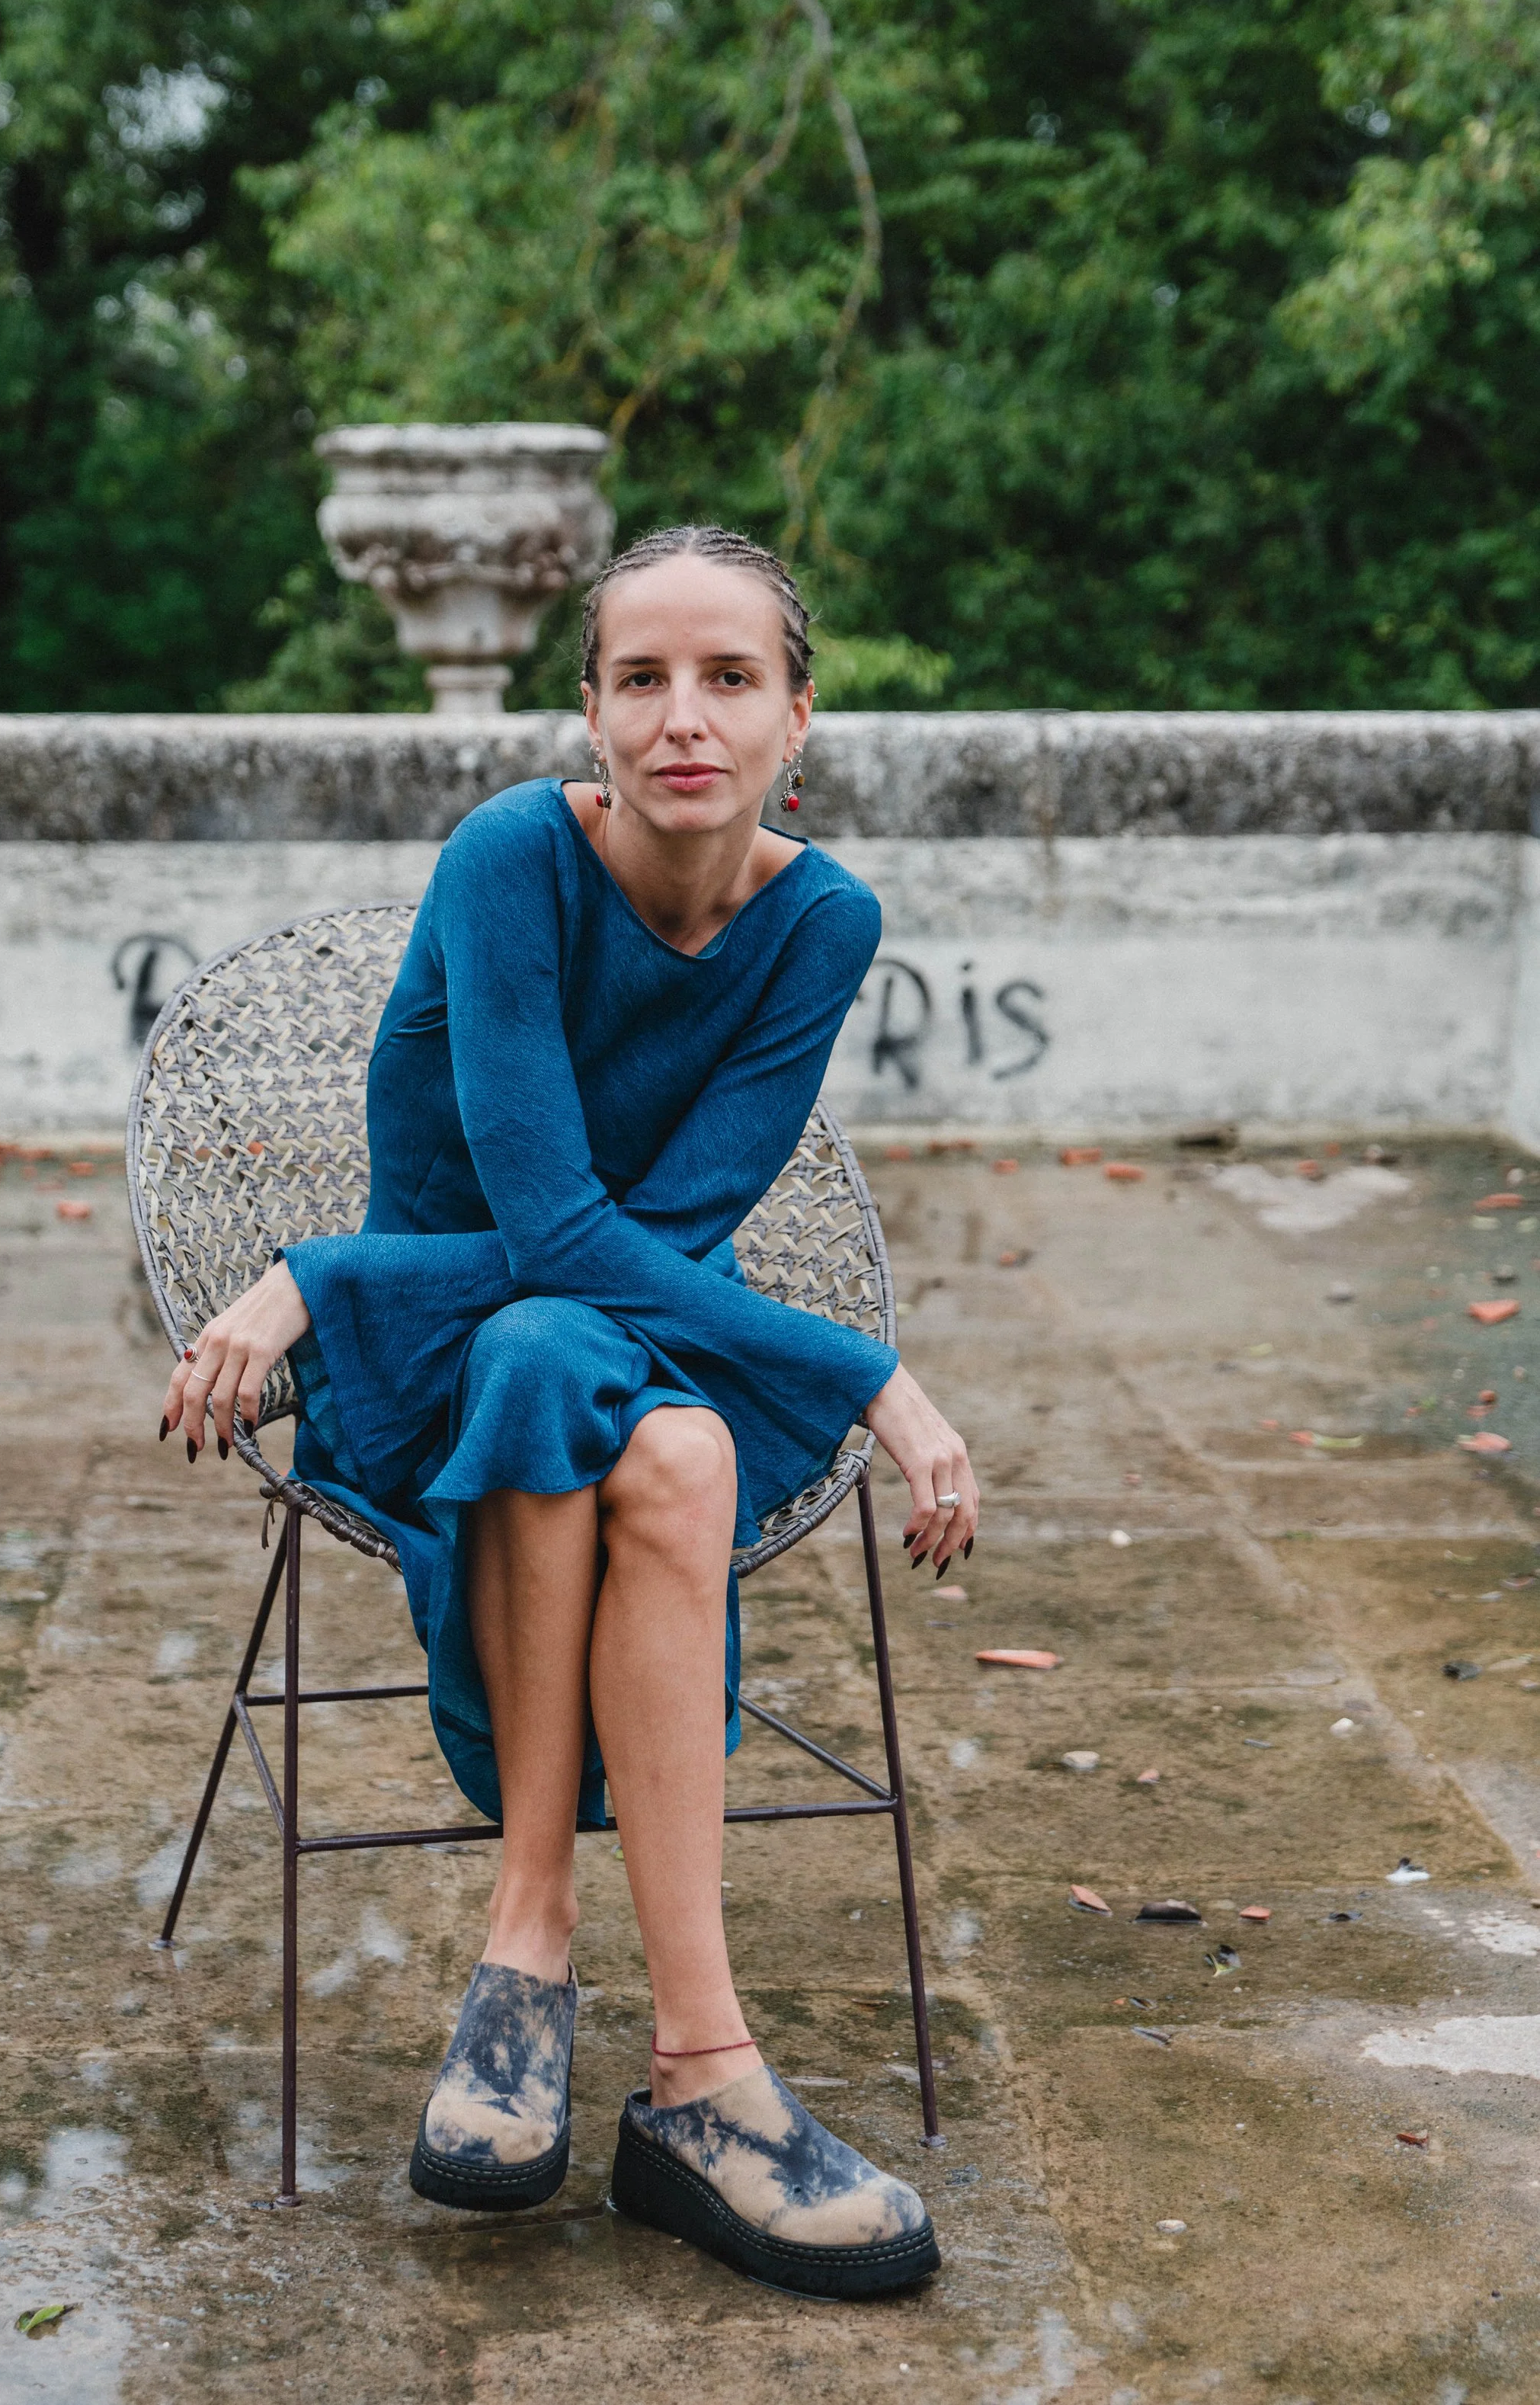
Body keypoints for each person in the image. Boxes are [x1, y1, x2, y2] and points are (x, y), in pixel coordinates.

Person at [161, 525, 979, 2300]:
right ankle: (631, 2022)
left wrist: (323, 1273)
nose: (682, 717)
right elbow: (537, 1232)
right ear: (590, 712)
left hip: (630, 1332)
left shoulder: (821, 919)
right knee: (550, 1363)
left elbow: (653, 1238)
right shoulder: (509, 859)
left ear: (795, 718)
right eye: (641, 678)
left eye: (728, 677)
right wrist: (865, 1372)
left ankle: (612, 2021)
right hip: (443, 1377)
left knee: (651, 1417)